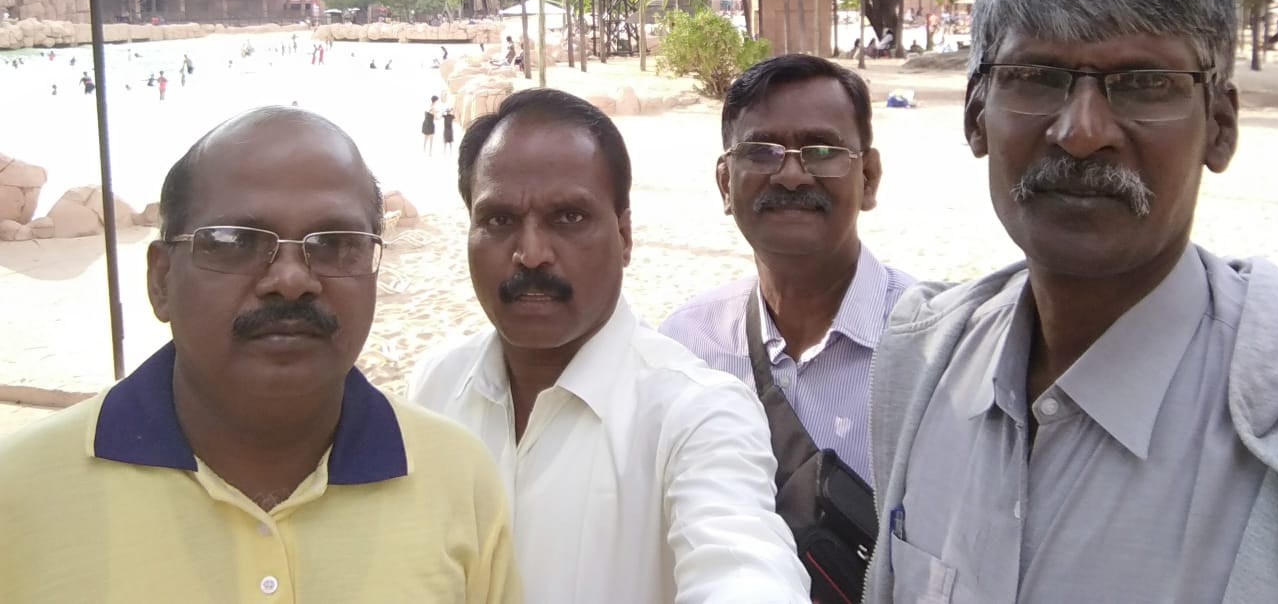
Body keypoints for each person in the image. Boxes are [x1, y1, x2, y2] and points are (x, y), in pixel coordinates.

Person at [866, 0, 1278, 604]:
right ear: (976, 116)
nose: (1082, 132)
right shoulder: (921, 362)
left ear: (1220, 128)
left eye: (1144, 83)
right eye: (1037, 76)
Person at [0, 106, 520, 603]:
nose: (291, 279)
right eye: (235, 241)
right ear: (161, 280)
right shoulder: (20, 494)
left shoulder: (457, 480)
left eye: (335, 242)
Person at [408, 88, 811, 604]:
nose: (531, 254)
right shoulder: (437, 387)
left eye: (569, 218)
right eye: (499, 221)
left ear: (624, 236)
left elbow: (742, 564)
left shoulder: (696, 415)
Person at [662, 54, 913, 483]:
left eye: (822, 151)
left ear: (868, 177)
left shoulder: (937, 352)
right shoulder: (686, 348)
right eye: (761, 152)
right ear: (725, 184)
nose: (792, 175)